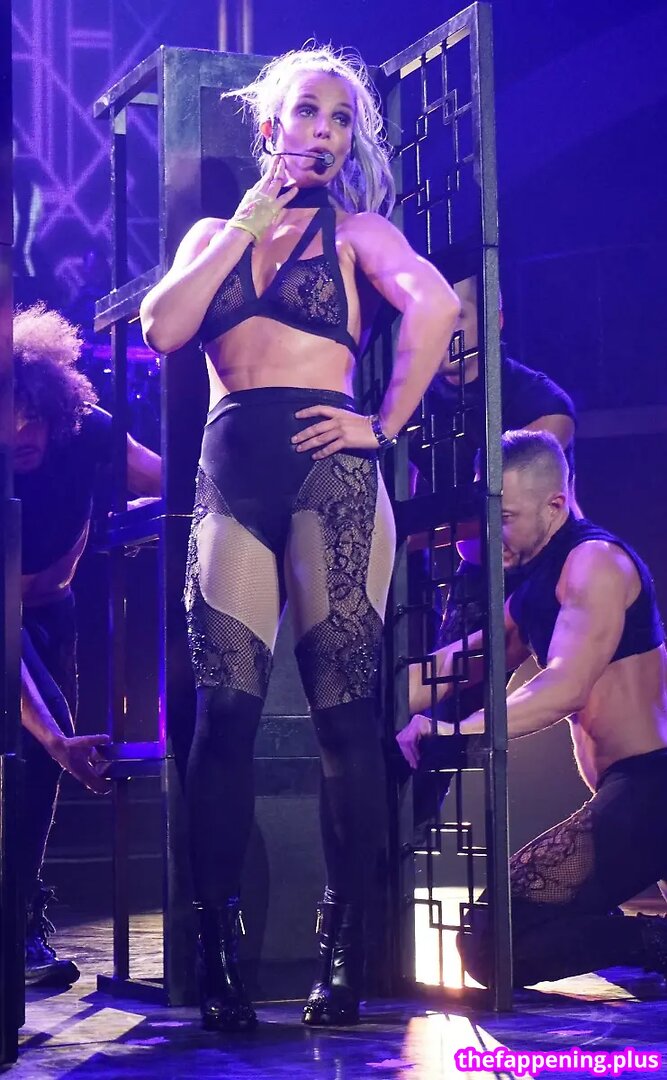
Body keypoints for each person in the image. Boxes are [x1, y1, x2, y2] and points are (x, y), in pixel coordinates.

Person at [140, 43, 460, 1031]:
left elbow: (438, 303)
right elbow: (163, 327)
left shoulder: (360, 231)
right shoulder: (214, 232)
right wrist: (246, 221)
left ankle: (342, 953)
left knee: (342, 722)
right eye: (308, 112)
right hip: (232, 477)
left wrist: (384, 423)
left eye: (340, 119)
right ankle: (219, 955)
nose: (324, 131)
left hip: (334, 477)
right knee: (222, 718)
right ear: (270, 124)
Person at [399, 429, 667, 988]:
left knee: (488, 939)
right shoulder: (538, 582)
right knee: (491, 939)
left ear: (555, 504)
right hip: (629, 792)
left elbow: (565, 686)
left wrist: (458, 729)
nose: (491, 531)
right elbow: (462, 661)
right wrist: (364, 703)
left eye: (506, 517)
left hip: (652, 786)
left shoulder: (594, 562)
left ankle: (655, 943)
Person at [13, 303, 162, 987]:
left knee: (40, 766)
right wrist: (53, 740)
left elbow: (162, 476)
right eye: (7, 417)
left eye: (32, 415)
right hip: (6, 623)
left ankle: (19, 924)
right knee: (43, 747)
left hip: (54, 615)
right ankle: (17, 930)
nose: (21, 432)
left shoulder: (85, 428)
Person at [405, 249, 578, 826]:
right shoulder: (411, 404)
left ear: (494, 320)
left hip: (545, 575)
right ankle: (392, 849)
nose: (445, 327)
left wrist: (425, 530)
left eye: (459, 314)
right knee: (420, 727)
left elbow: (503, 506)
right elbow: (408, 518)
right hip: (466, 579)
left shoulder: (536, 400)